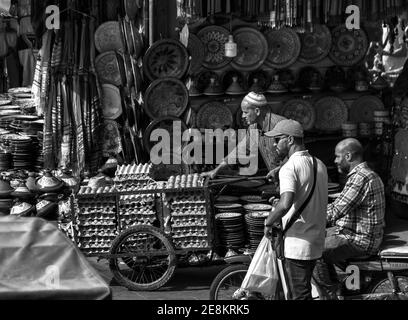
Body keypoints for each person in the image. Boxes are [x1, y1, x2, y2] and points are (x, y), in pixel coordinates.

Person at [263, 120, 328, 300]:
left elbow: (285, 204)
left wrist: (268, 222)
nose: (274, 144)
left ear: (290, 139)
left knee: (299, 296)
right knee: (304, 292)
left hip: (297, 245)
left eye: (277, 139)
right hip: (315, 242)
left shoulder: (289, 168)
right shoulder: (319, 164)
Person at [313, 139, 386, 299]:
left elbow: (334, 212)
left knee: (313, 249)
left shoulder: (360, 178)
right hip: (358, 233)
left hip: (359, 240)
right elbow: (340, 205)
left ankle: (328, 294)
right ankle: (337, 285)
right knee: (318, 235)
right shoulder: (367, 174)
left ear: (348, 156)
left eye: (337, 156)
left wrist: (305, 216)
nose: (335, 161)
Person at [202, 92, 286, 179]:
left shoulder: (281, 125)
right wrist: (216, 170)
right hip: (278, 179)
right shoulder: (253, 127)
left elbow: (296, 156)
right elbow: (240, 150)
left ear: (257, 111)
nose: (242, 116)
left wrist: (278, 170)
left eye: (246, 112)